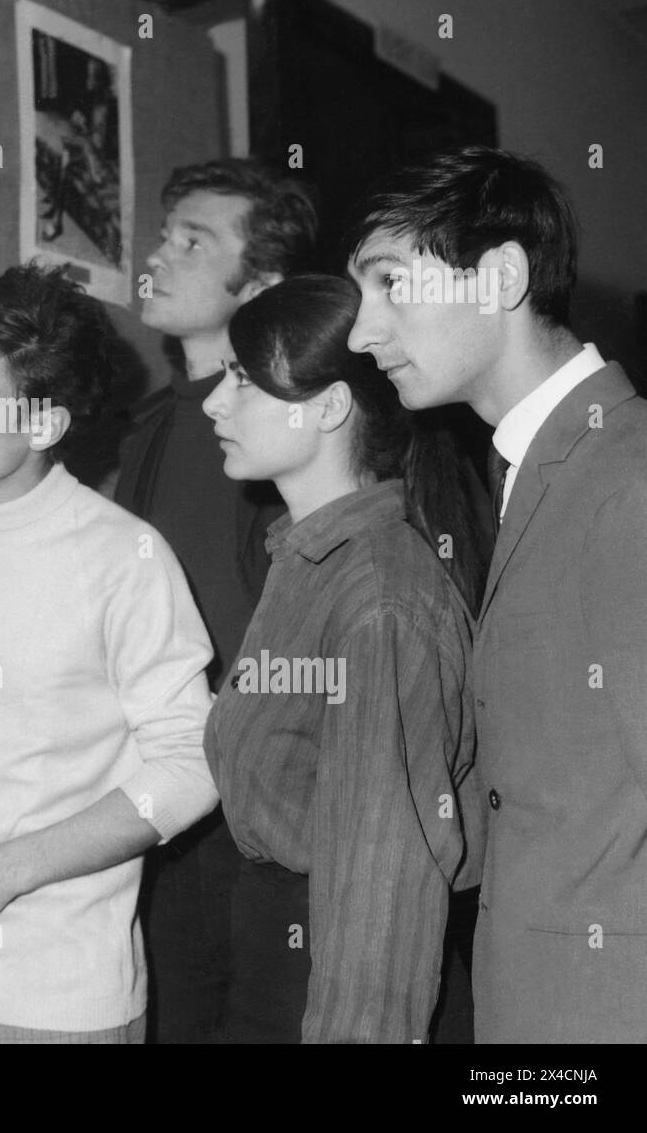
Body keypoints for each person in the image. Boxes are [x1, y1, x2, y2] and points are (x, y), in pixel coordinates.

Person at [0, 262, 217, 1044]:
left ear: (43, 424)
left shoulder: (124, 555)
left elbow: (196, 763)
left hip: (56, 1008)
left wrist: (9, 867)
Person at [346, 146, 647, 1043]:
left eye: (390, 283)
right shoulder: (536, 465)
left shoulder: (625, 477)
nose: (363, 332)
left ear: (501, 275)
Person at [202, 274, 488, 1042]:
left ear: (328, 407)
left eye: (242, 380)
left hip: (339, 978)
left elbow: (382, 879)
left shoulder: (379, 595)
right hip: (276, 961)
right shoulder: (307, 559)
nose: (213, 402)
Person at [114, 158, 316, 1043]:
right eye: (164, 234)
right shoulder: (147, 425)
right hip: (159, 812)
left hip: (265, 814)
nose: (158, 255)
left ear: (262, 284)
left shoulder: (289, 429)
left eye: (194, 240)